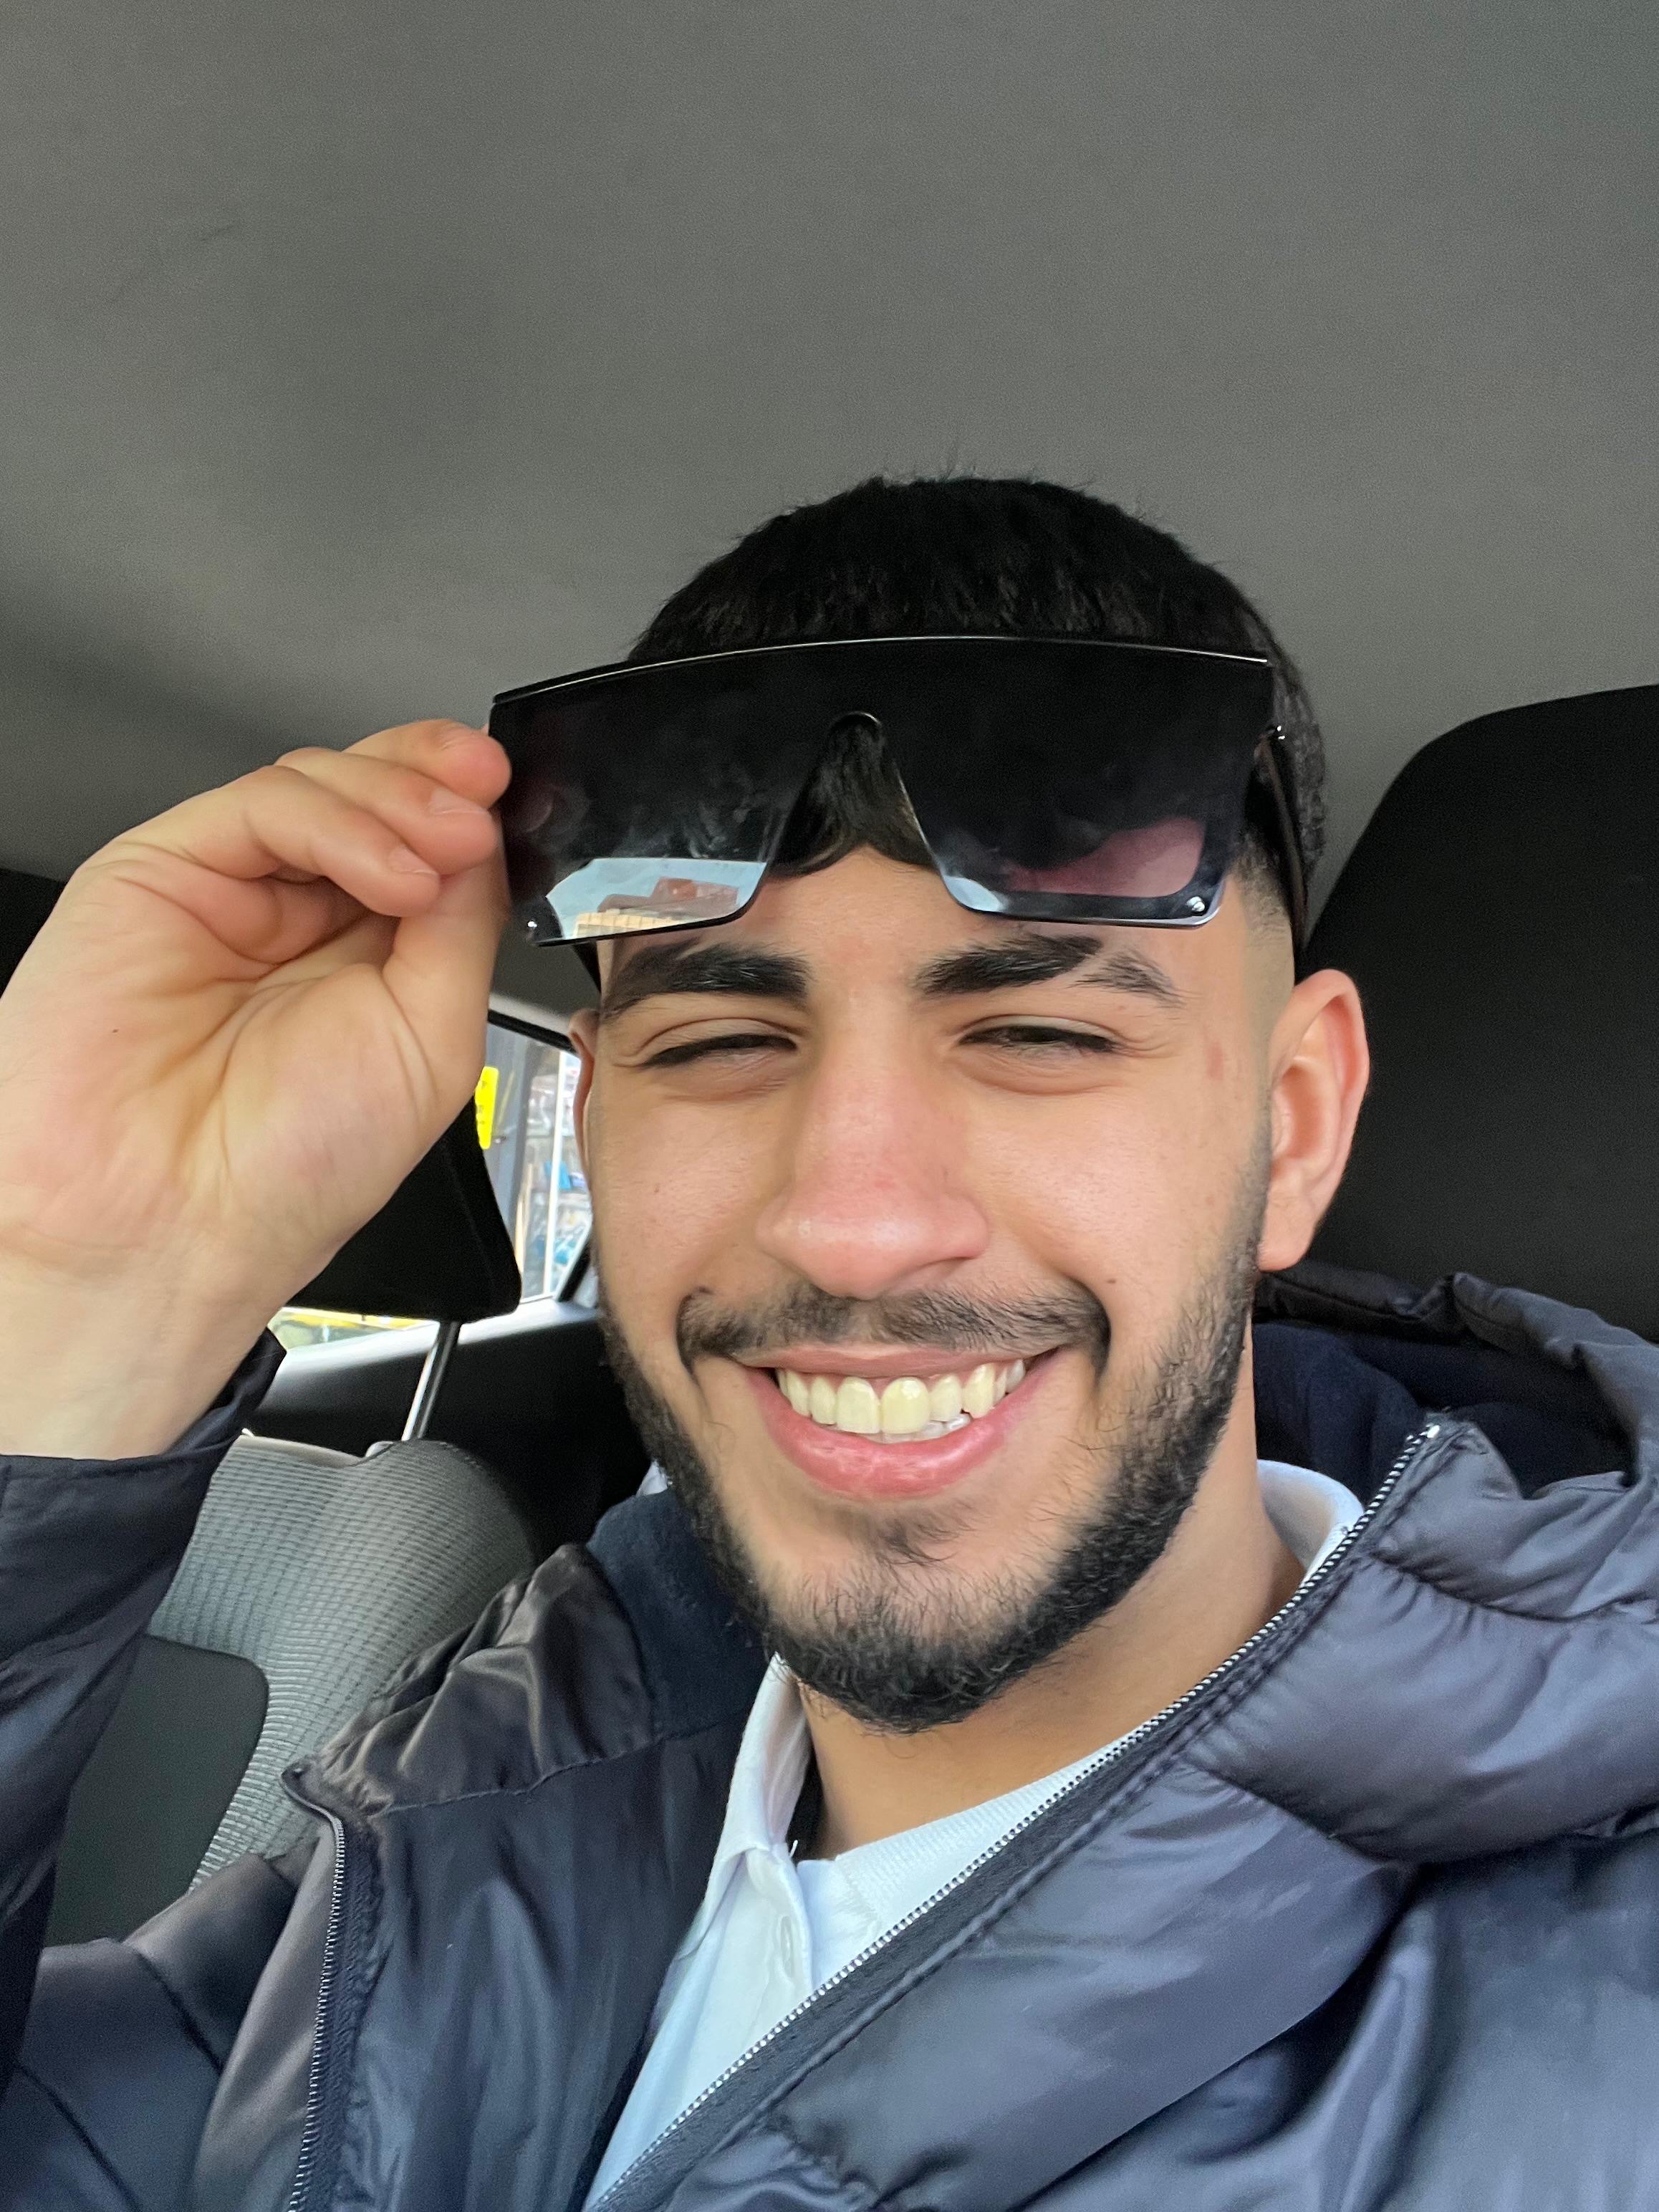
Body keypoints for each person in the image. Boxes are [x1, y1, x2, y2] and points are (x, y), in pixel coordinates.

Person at [1, 476, 1656, 2212]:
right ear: (600, 1115)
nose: (853, 1223)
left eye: (1037, 1031)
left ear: (1295, 1127)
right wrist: (79, 1296)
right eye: (719, 1041)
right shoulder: (477, 1789)